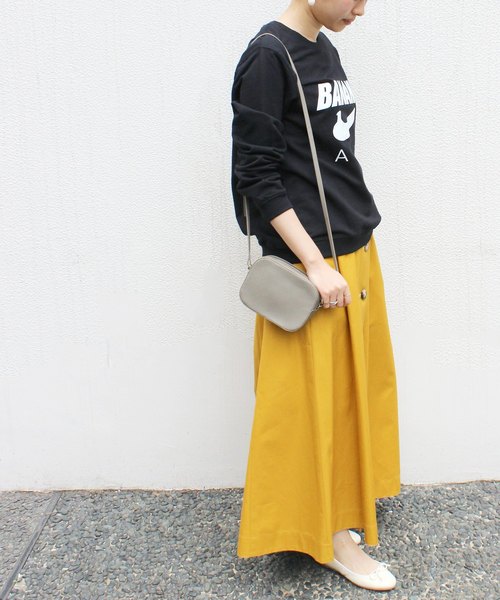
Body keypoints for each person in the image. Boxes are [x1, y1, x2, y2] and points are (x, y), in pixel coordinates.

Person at [230, 0, 401, 592]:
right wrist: (312, 263)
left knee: (349, 397)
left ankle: (340, 509)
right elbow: (256, 174)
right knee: (309, 406)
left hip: (352, 247)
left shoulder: (323, 47)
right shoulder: (268, 57)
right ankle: (327, 538)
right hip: (315, 268)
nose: (361, 8)